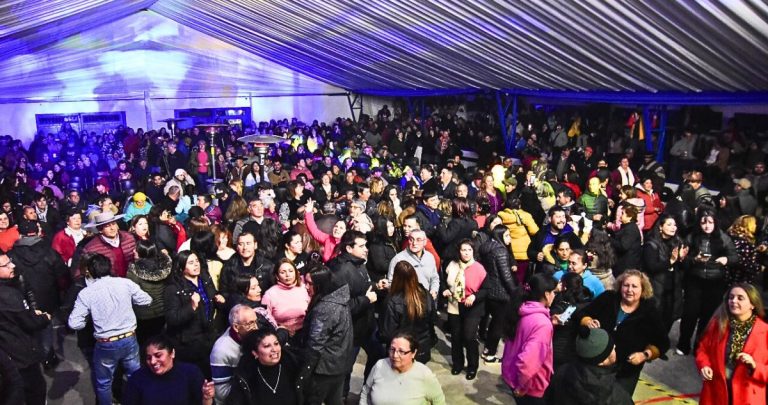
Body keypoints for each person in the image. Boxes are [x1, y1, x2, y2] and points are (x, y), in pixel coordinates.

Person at [68, 254, 152, 405]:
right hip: (129, 338)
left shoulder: (86, 293)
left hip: (106, 343)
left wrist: (89, 318)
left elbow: (74, 323)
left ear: (91, 271)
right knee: (136, 376)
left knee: (104, 383)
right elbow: (146, 300)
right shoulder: (125, 283)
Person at [578, 270, 669, 396]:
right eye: (626, 285)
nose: (629, 290)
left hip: (626, 372)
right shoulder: (608, 298)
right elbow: (581, 313)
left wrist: (645, 355)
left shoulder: (650, 312)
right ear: (620, 286)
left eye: (634, 286)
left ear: (643, 290)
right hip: (597, 365)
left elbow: (663, 343)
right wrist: (587, 321)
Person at [677, 209, 739, 355]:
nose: (707, 226)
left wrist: (726, 259)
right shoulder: (692, 237)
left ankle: (700, 346)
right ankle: (683, 344)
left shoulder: (723, 237)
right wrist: (694, 259)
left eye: (710, 222)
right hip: (695, 280)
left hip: (715, 282)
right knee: (689, 315)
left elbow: (735, 257)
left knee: (708, 316)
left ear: (715, 222)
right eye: (703, 222)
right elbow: (683, 259)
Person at [9, 218, 69, 369]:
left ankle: (34, 355)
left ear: (20, 235)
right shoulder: (49, 252)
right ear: (37, 233)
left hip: (21, 300)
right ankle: (47, 355)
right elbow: (62, 274)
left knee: (26, 328)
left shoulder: (11, 256)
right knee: (45, 327)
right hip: (47, 297)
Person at [695, 283, 768, 405]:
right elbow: (702, 349)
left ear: (753, 304)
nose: (733, 301)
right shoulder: (718, 324)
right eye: (731, 297)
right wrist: (704, 365)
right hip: (715, 394)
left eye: (740, 298)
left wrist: (755, 366)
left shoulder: (765, 332)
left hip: (747, 397)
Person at [0, 251, 51, 405]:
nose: (12, 266)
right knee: (33, 390)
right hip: (18, 352)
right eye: (6, 265)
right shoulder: (8, 295)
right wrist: (43, 318)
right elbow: (27, 322)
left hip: (8, 351)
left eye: (10, 262)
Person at [164, 251, 225, 378]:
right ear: (181, 267)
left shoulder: (205, 278)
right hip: (189, 342)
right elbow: (172, 319)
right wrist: (191, 307)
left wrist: (218, 299)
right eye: (191, 263)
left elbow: (212, 296)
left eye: (196, 261)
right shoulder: (174, 288)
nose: (196, 265)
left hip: (208, 336)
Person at [501, 273, 558, 405]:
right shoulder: (542, 323)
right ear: (546, 294)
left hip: (512, 375)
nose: (555, 296)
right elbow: (527, 362)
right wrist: (523, 386)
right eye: (554, 292)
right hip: (530, 385)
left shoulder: (522, 309)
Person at [300, 265, 353, 405]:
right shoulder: (339, 299)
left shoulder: (325, 308)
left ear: (320, 284)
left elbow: (315, 344)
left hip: (323, 369)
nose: (306, 286)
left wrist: (304, 373)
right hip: (338, 364)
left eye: (310, 283)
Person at [547, 327, 633, 405]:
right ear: (603, 361)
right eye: (611, 349)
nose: (615, 346)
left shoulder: (561, 372)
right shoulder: (618, 397)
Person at [122, 335, 214, 405]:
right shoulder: (137, 379)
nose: (153, 361)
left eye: (158, 355)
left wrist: (207, 398)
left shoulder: (191, 373)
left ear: (172, 353)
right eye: (149, 358)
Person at [359, 332, 446, 405]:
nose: (395, 355)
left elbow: (439, 402)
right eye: (392, 349)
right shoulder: (380, 365)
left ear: (413, 353)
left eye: (401, 351)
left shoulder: (424, 375)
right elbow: (366, 393)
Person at [443, 240, 487, 379]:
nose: (466, 253)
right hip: (454, 304)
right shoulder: (452, 265)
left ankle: (472, 366)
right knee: (456, 337)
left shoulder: (479, 268)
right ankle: (458, 364)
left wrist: (474, 296)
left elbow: (486, 289)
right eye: (463, 250)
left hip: (472, 306)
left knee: (469, 337)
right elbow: (443, 280)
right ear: (459, 251)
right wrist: (444, 290)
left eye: (469, 250)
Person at [226, 329, 301, 405]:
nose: (274, 349)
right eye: (267, 346)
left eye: (276, 343)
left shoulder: (293, 365)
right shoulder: (247, 375)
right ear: (255, 353)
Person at [380, 261, 434, 364]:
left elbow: (387, 332)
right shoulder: (426, 294)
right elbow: (432, 320)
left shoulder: (392, 301)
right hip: (421, 348)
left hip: (401, 352)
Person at [642, 214, 687, 334]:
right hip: (656, 288)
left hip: (672, 288)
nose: (673, 227)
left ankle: (660, 346)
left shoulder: (678, 242)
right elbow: (651, 267)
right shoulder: (651, 244)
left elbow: (682, 269)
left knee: (669, 319)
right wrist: (671, 261)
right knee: (653, 321)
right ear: (660, 227)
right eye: (669, 224)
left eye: (675, 225)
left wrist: (681, 259)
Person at [480, 225, 517, 363]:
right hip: (500, 292)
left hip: (488, 289)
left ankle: (486, 349)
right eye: (507, 235)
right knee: (498, 324)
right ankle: (490, 353)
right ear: (500, 236)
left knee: (492, 321)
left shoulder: (485, 247)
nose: (509, 238)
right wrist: (514, 292)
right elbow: (506, 276)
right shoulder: (500, 251)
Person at [126, 240, 172, 346]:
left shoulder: (133, 272)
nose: (133, 251)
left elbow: (132, 293)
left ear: (142, 253)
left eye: (136, 250)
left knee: (146, 343)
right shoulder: (165, 266)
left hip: (143, 314)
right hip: (163, 311)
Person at [261, 259, 310, 343]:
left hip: (306, 333)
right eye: (283, 272)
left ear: (296, 272)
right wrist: (281, 331)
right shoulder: (270, 294)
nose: (288, 275)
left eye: (290, 271)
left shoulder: (304, 288)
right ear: (277, 276)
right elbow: (265, 320)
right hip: (282, 337)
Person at [498, 195, 539, 284]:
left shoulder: (501, 216)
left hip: (508, 251)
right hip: (524, 251)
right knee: (522, 278)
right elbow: (534, 231)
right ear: (519, 206)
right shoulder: (525, 216)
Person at [610, 204, 642, 276]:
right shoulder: (627, 227)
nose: (620, 216)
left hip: (625, 267)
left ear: (630, 216)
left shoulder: (631, 229)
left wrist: (609, 239)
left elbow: (623, 246)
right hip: (623, 265)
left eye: (623, 213)